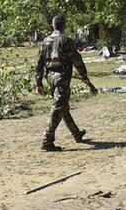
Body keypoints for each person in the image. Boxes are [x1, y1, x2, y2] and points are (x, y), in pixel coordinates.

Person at [35, 15, 98, 151]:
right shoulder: (65, 40)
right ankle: (47, 140)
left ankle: (76, 133)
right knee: (59, 106)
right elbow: (76, 59)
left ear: (53, 25)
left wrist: (39, 82)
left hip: (50, 77)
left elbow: (39, 63)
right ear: (64, 26)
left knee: (63, 106)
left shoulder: (45, 41)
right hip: (62, 77)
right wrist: (84, 76)